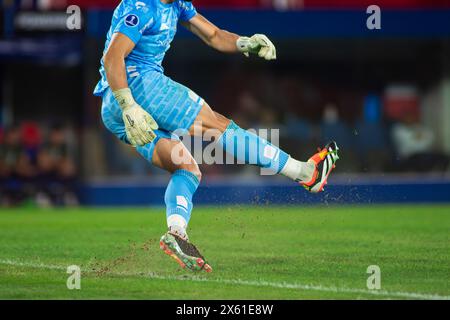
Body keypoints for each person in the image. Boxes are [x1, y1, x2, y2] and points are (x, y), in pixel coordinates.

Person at [94, 0, 339, 272]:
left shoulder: (177, 5)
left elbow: (213, 35)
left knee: (187, 168)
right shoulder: (141, 6)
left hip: (112, 108)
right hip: (136, 85)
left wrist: (245, 43)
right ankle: (305, 173)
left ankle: (176, 233)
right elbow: (112, 56)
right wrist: (128, 104)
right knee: (217, 125)